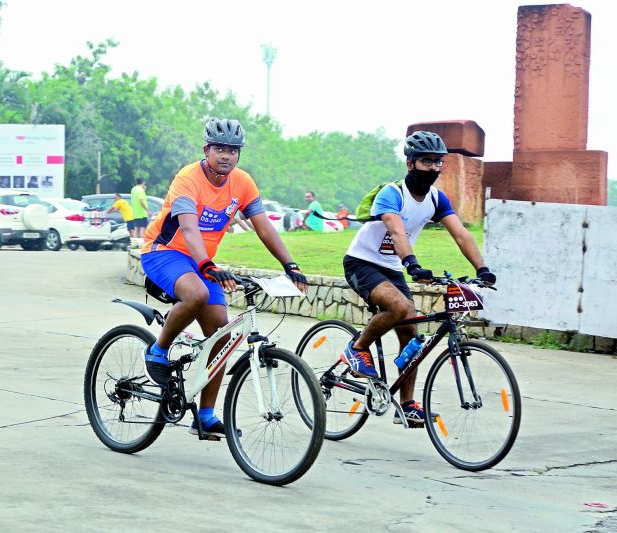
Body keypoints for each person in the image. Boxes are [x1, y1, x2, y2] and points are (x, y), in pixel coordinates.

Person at [140, 118, 308, 438]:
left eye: (233, 150)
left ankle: (205, 415)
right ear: (207, 150)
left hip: (202, 261)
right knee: (197, 295)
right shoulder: (187, 179)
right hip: (164, 252)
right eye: (220, 149)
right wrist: (205, 265)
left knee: (223, 337)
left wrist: (291, 265)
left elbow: (263, 226)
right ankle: (157, 351)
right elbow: (188, 228)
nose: (226, 156)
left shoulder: (242, 183)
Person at [341, 131, 497, 426]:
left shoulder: (436, 198)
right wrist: (412, 264)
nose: (434, 168)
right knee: (400, 308)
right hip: (362, 262)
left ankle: (408, 405)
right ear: (410, 162)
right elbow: (396, 230)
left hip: (391, 267)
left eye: (439, 162)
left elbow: (461, 234)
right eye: (427, 161)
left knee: (411, 336)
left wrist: (482, 268)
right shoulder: (392, 193)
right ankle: (358, 348)